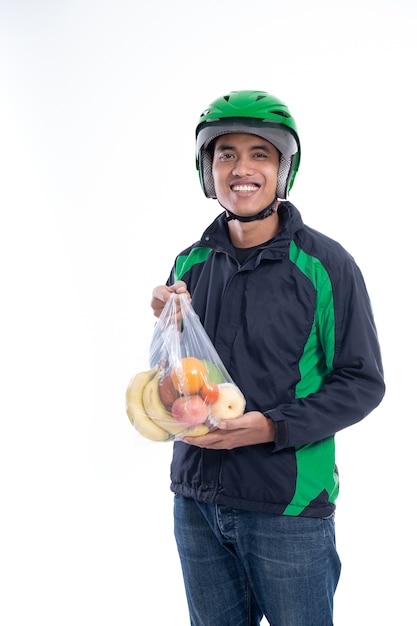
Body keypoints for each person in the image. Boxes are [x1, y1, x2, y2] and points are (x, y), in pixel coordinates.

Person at [150, 90, 385, 626]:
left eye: (261, 153)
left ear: (284, 168)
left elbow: (362, 381)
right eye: (225, 153)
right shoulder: (190, 262)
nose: (242, 168)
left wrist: (268, 427)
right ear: (207, 169)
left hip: (288, 508)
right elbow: (177, 379)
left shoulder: (326, 265)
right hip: (196, 499)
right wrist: (164, 322)